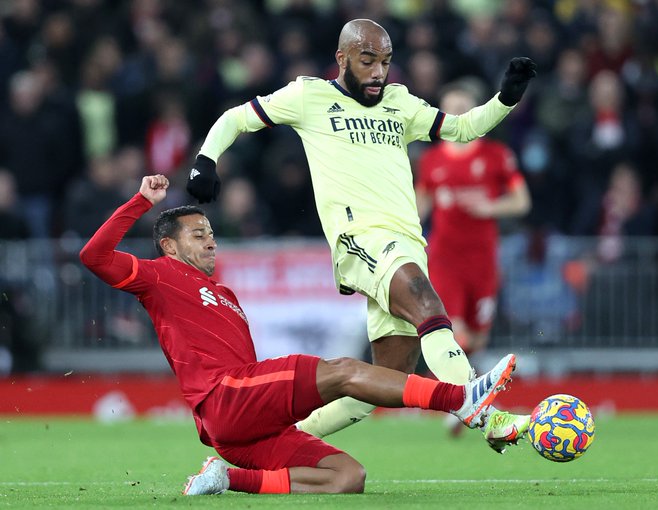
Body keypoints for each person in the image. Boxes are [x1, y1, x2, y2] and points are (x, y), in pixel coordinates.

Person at [185, 19, 536, 452]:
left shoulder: (400, 103)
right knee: (426, 303)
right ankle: (483, 413)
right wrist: (205, 161)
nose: (378, 72)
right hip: (360, 240)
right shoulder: (309, 96)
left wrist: (506, 98)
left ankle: (258, 447)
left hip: (407, 243)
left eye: (385, 62)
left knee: (380, 383)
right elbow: (236, 118)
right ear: (343, 58)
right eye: (368, 61)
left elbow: (463, 128)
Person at [80, 174, 518, 495]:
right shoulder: (158, 275)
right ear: (169, 246)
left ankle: (226, 478)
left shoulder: (224, 292)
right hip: (225, 395)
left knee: (348, 477)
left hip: (237, 428)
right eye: (199, 235)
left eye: (212, 234)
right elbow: (94, 256)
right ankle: (459, 399)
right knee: (342, 371)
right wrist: (141, 200)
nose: (211, 242)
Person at [416, 79, 531, 358]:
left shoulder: (497, 155)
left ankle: (462, 383)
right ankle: (445, 383)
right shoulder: (431, 160)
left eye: (462, 108)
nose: (456, 115)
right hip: (445, 257)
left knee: (478, 339)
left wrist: (490, 207)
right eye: (451, 109)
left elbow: (521, 202)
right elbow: (420, 206)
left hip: (482, 258)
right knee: (454, 331)